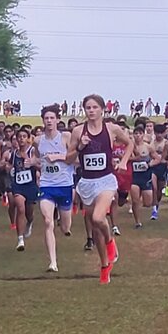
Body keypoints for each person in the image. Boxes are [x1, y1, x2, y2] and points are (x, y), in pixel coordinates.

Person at [66, 94, 132, 284]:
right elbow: (69, 159)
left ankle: (111, 240)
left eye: (95, 107)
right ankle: (104, 266)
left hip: (106, 180)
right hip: (87, 182)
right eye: (88, 107)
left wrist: (125, 161)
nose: (91, 111)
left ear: (102, 109)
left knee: (97, 217)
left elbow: (130, 143)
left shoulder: (111, 129)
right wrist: (79, 146)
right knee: (95, 228)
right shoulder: (78, 131)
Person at [35, 104, 74, 272]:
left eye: (52, 118)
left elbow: (74, 158)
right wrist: (33, 163)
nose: (49, 121)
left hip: (65, 185)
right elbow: (39, 159)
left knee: (65, 227)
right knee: (48, 222)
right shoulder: (38, 140)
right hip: (47, 185)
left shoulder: (66, 137)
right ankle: (53, 262)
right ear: (43, 121)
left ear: (58, 119)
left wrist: (57, 157)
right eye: (46, 118)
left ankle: (65, 227)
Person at [2, 127, 37, 252]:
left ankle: (30, 222)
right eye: (19, 137)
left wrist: (32, 162)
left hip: (31, 185)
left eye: (24, 136)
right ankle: (20, 239)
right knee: (20, 208)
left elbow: (39, 165)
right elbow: (10, 165)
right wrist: (8, 167)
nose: (21, 139)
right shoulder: (13, 153)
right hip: (18, 185)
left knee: (29, 211)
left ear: (28, 139)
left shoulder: (32, 150)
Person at [129, 125, 157, 228]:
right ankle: (137, 222)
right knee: (135, 200)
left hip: (146, 176)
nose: (138, 136)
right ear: (133, 135)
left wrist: (150, 164)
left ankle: (147, 203)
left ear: (143, 135)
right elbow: (125, 158)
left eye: (140, 133)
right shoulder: (130, 147)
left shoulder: (148, 147)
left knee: (148, 203)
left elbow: (157, 158)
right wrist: (134, 158)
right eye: (136, 133)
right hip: (134, 177)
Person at [148, 123, 168, 220]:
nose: (159, 135)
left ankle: (156, 205)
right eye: (157, 133)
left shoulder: (167, 143)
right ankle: (154, 209)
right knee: (154, 188)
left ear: (164, 133)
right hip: (153, 167)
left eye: (161, 133)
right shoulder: (151, 143)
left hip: (162, 167)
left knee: (159, 190)